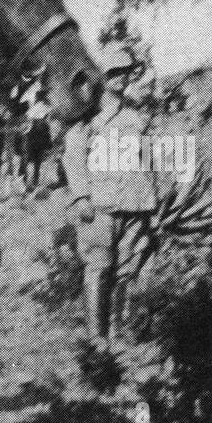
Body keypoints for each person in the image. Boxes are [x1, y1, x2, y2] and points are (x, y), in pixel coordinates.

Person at [60, 46, 158, 340]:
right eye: (112, 72)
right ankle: (97, 341)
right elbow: (72, 157)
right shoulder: (88, 120)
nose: (119, 78)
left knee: (129, 268)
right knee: (99, 269)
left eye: (124, 71)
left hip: (135, 204)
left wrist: (152, 206)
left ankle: (123, 334)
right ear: (101, 77)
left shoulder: (134, 116)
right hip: (100, 206)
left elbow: (147, 159)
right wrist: (80, 197)